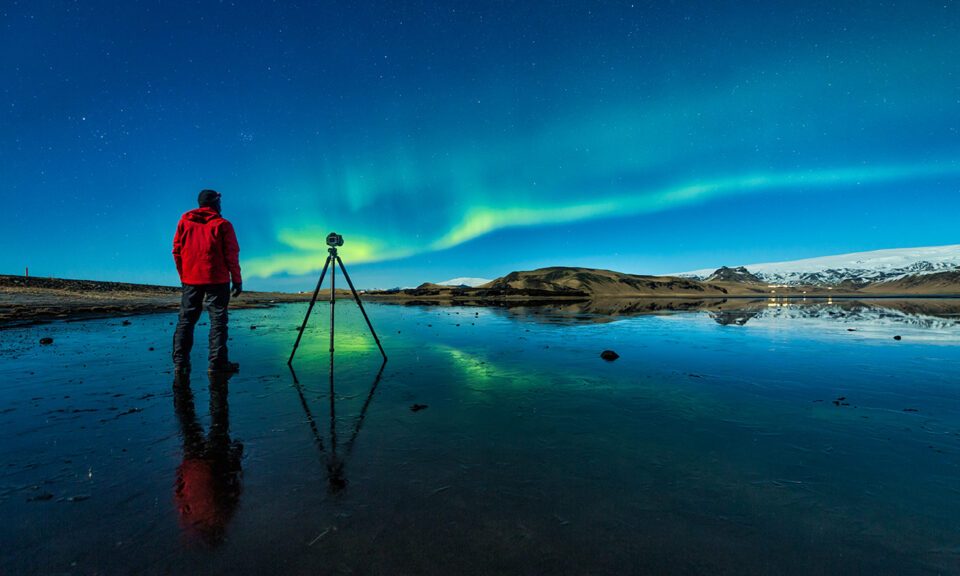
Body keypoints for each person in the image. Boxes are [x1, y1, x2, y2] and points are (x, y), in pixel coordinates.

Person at [172, 189, 242, 374]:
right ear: (214, 203)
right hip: (217, 279)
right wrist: (237, 279)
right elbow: (231, 254)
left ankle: (180, 364)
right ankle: (217, 365)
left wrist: (184, 275)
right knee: (218, 321)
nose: (221, 205)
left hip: (191, 279)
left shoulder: (184, 222)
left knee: (186, 320)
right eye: (219, 201)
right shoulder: (223, 224)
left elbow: (177, 251)